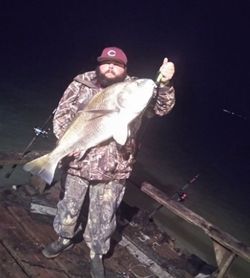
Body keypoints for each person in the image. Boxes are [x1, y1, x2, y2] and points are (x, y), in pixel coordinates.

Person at [42, 46, 175, 277]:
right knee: (69, 206)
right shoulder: (81, 83)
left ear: (125, 68)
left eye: (117, 64)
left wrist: (165, 83)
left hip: (115, 167)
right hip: (77, 162)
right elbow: (62, 114)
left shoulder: (134, 88)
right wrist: (67, 142)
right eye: (106, 62)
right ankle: (64, 238)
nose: (110, 67)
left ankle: (96, 253)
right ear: (98, 65)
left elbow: (160, 108)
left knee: (104, 215)